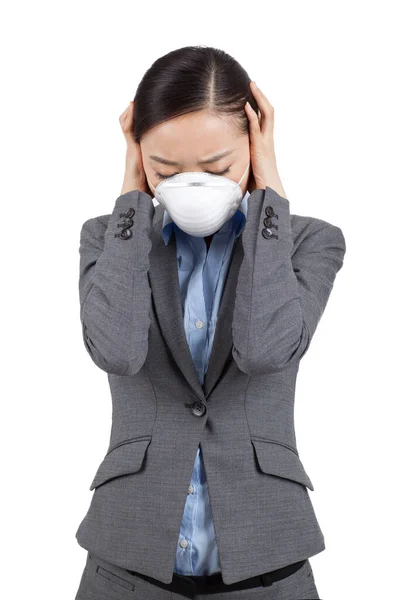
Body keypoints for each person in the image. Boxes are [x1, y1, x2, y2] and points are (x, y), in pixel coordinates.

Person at [74, 45, 346, 600]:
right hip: (127, 561)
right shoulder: (109, 237)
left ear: (254, 142)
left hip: (268, 558)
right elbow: (116, 351)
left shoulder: (308, 242)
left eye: (218, 166)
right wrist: (133, 194)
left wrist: (270, 196)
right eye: (164, 169)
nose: (192, 184)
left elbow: (267, 350)